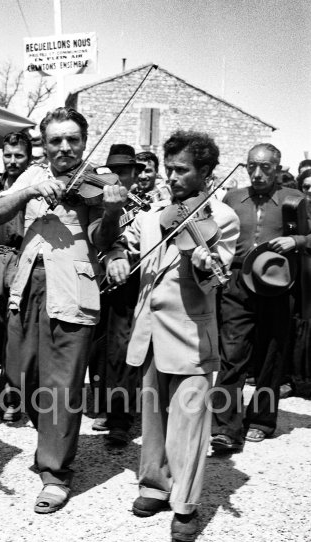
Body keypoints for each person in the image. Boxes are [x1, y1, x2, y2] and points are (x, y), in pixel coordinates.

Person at [0, 106, 128, 514]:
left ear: (84, 141)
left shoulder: (101, 183)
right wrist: (29, 191)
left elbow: (103, 239)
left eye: (73, 140)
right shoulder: (31, 175)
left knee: (62, 387)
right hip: (27, 286)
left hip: (72, 289)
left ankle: (55, 472)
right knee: (22, 376)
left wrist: (113, 210)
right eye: (55, 140)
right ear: (43, 144)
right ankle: (51, 442)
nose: (65, 148)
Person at [106, 131, 239, 541]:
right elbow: (121, 243)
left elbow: (212, 278)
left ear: (206, 172)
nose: (173, 178)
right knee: (154, 418)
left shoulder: (221, 219)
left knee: (190, 427)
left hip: (190, 333)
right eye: (170, 169)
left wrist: (201, 262)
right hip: (149, 330)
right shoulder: (152, 214)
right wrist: (113, 254)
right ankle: (153, 484)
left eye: (182, 170)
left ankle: (185, 504)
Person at [211, 143, 311, 451]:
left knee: (271, 355)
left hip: (277, 286)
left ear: (278, 169)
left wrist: (296, 239)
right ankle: (224, 427)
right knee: (231, 355)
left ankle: (261, 420)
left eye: (265, 168)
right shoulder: (231, 199)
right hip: (237, 285)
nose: (257, 174)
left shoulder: (294, 200)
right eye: (251, 166)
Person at [89, 144, 145, 445]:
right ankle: (101, 406)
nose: (118, 176)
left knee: (122, 349)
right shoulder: (94, 200)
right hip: (95, 279)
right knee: (96, 348)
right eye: (113, 170)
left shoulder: (145, 204)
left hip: (128, 279)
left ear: (135, 173)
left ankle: (121, 417)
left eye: (124, 170)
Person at [0, 131, 31, 422]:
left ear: (28, 157)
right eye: (8, 155)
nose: (12, 161)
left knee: (16, 329)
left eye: (18, 156)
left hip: (21, 257)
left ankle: (12, 394)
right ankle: (7, 379)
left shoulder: (34, 186)